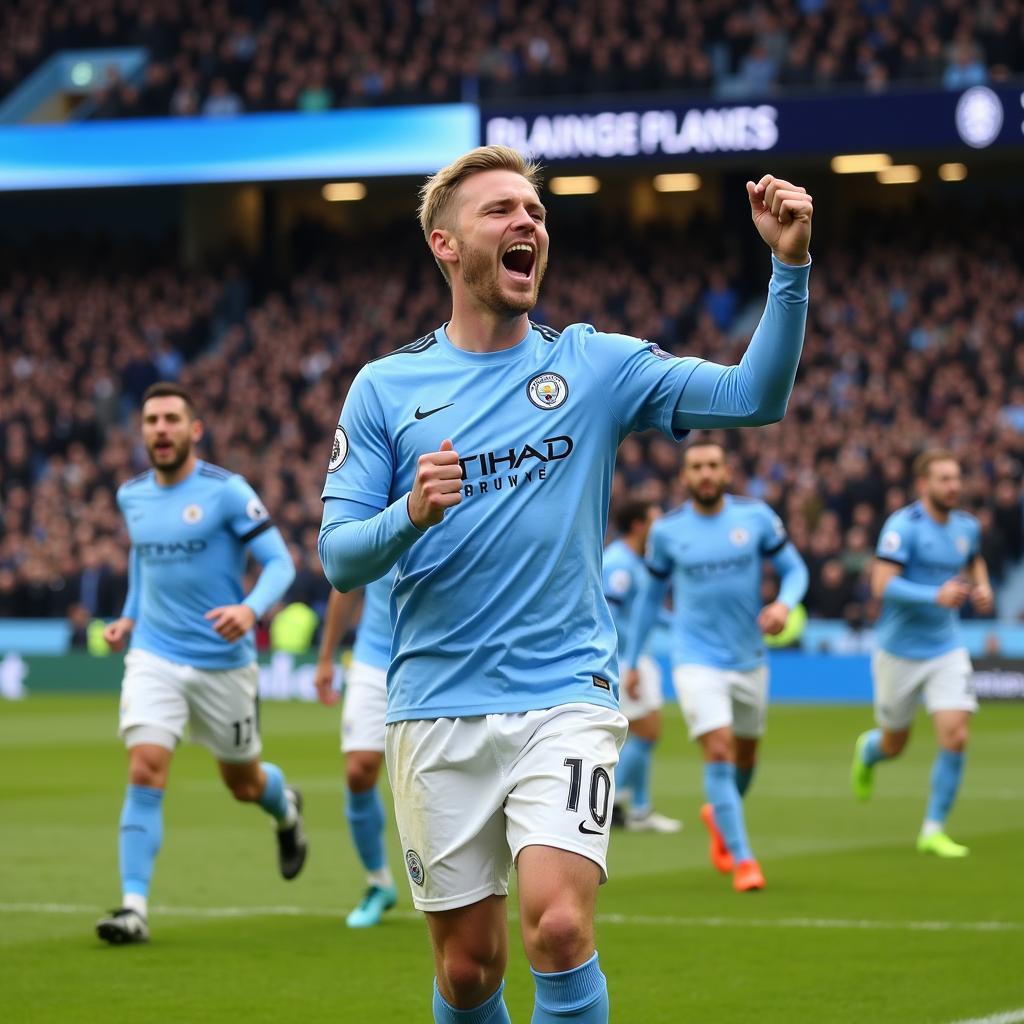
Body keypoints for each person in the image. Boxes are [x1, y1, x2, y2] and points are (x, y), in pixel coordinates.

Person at [318, 145, 812, 1023]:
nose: (528, 224)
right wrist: (408, 515)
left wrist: (788, 265)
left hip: (564, 695)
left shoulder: (595, 365)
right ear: (444, 244)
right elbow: (339, 556)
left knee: (557, 926)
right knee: (468, 972)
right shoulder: (385, 388)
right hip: (433, 704)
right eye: (501, 211)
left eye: (536, 213)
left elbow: (753, 397)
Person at [96, 382, 303, 945]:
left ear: (195, 430)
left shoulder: (228, 492)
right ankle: (133, 907)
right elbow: (144, 566)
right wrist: (129, 617)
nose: (160, 429)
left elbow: (281, 563)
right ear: (142, 433)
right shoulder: (132, 496)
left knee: (242, 782)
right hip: (154, 656)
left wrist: (250, 608)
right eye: (151, 420)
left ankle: (285, 809)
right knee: (144, 767)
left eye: (170, 419)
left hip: (223, 664)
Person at [623, 439, 808, 892]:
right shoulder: (668, 531)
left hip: (749, 658)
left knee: (745, 758)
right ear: (684, 477)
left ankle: (719, 814)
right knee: (720, 751)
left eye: (713, 466)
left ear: (726, 473)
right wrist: (630, 660)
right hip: (695, 660)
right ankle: (745, 861)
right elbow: (648, 600)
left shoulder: (756, 518)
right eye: (696, 467)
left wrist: (784, 605)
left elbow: (796, 570)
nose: (705, 473)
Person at [850, 449, 993, 857]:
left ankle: (933, 829)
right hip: (899, 651)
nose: (954, 486)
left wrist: (981, 587)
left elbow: (973, 560)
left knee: (956, 734)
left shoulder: (966, 526)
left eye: (957, 478)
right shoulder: (903, 526)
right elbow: (882, 585)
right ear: (923, 485)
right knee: (895, 743)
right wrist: (936, 594)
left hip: (946, 648)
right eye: (944, 478)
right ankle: (869, 751)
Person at [314, 567, 399, 928]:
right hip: (373, 657)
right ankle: (378, 882)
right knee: (358, 770)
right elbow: (346, 582)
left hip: (439, 660)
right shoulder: (372, 511)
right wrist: (325, 657)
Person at [603, 500, 682, 833]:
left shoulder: (637, 560)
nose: (660, 525)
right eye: (654, 519)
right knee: (647, 732)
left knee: (647, 732)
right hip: (625, 658)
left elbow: (642, 609)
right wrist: (628, 660)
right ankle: (605, 802)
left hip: (637, 655)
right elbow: (609, 612)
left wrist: (676, 621)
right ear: (638, 525)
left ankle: (638, 808)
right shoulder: (619, 563)